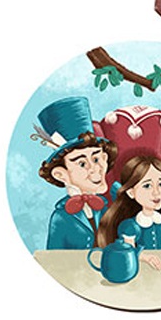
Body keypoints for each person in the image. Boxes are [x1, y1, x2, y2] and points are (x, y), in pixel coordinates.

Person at [29, 97, 117, 252]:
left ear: (104, 158)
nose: (95, 169)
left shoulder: (104, 208)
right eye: (82, 163)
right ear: (61, 174)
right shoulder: (61, 218)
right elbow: (52, 260)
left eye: (96, 159)